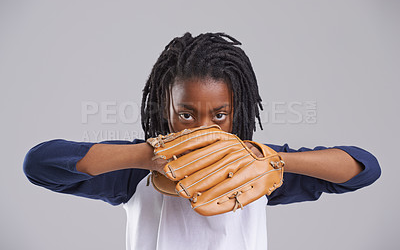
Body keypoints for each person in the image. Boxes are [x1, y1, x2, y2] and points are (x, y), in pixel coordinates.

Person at [23, 32, 381, 250]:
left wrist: (270, 158)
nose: (204, 129)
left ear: (236, 111)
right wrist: (147, 156)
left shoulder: (257, 169)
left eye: (219, 116)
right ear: (167, 108)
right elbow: (39, 165)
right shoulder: (135, 172)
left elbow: (363, 169)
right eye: (187, 115)